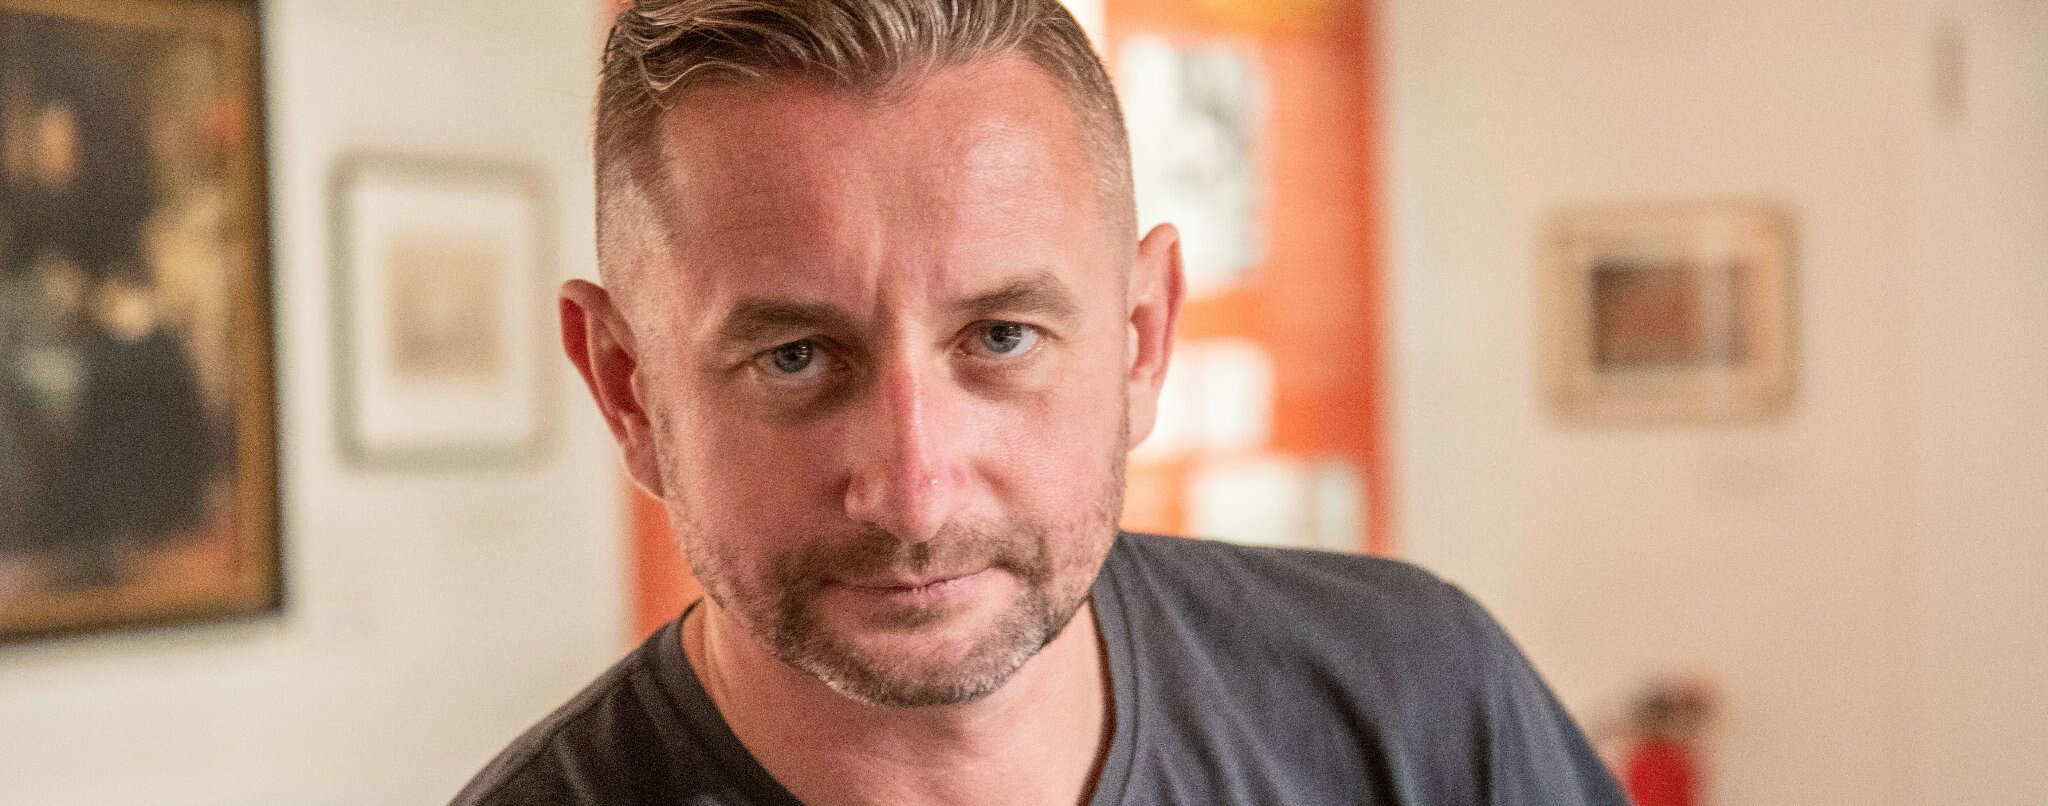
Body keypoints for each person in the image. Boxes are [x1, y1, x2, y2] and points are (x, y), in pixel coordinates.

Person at [455, 1, 1626, 804]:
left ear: (1141, 338)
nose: (914, 491)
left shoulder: (1414, 696)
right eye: (796, 357)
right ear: (628, 389)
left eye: (1000, 337)